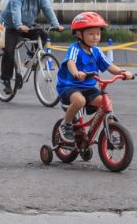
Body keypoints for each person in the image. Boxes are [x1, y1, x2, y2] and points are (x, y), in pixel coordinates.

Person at [56, 12, 132, 143]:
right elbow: (70, 62)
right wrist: (76, 73)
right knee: (80, 101)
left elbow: (109, 65)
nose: (95, 37)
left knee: (105, 100)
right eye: (91, 34)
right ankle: (65, 124)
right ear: (80, 34)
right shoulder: (75, 48)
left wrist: (123, 72)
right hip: (70, 86)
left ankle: (111, 126)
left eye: (98, 33)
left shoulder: (97, 51)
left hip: (88, 87)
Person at [0, 0, 64, 94]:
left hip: (26, 25)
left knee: (42, 34)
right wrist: (18, 25)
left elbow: (48, 9)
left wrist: (56, 24)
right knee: (8, 50)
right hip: (8, 25)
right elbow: (16, 10)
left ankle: (32, 58)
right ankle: (5, 79)